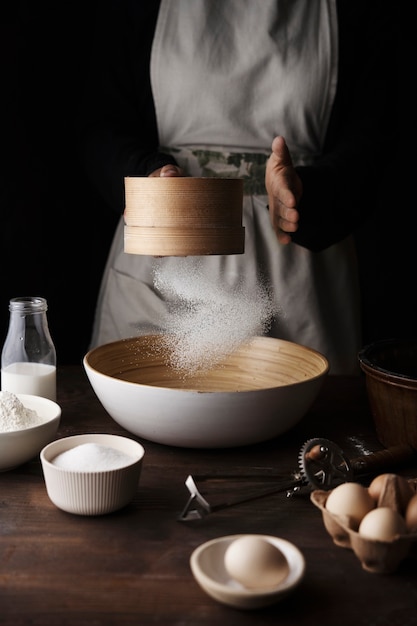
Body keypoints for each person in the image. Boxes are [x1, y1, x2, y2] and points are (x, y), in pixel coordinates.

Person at [77, 0, 395, 375]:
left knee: (310, 424)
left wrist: (308, 192)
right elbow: (100, 124)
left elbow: (373, 145)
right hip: (165, 249)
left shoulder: (350, 11)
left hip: (300, 267)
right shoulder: (137, 10)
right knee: (145, 412)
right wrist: (146, 175)